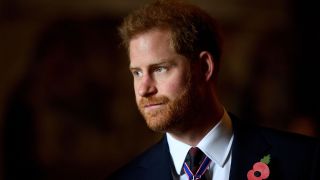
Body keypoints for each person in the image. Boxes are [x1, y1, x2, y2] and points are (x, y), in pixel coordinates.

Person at [107, 0, 320, 179]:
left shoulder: (304, 160)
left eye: (160, 69)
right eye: (137, 73)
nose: (143, 88)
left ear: (204, 67)